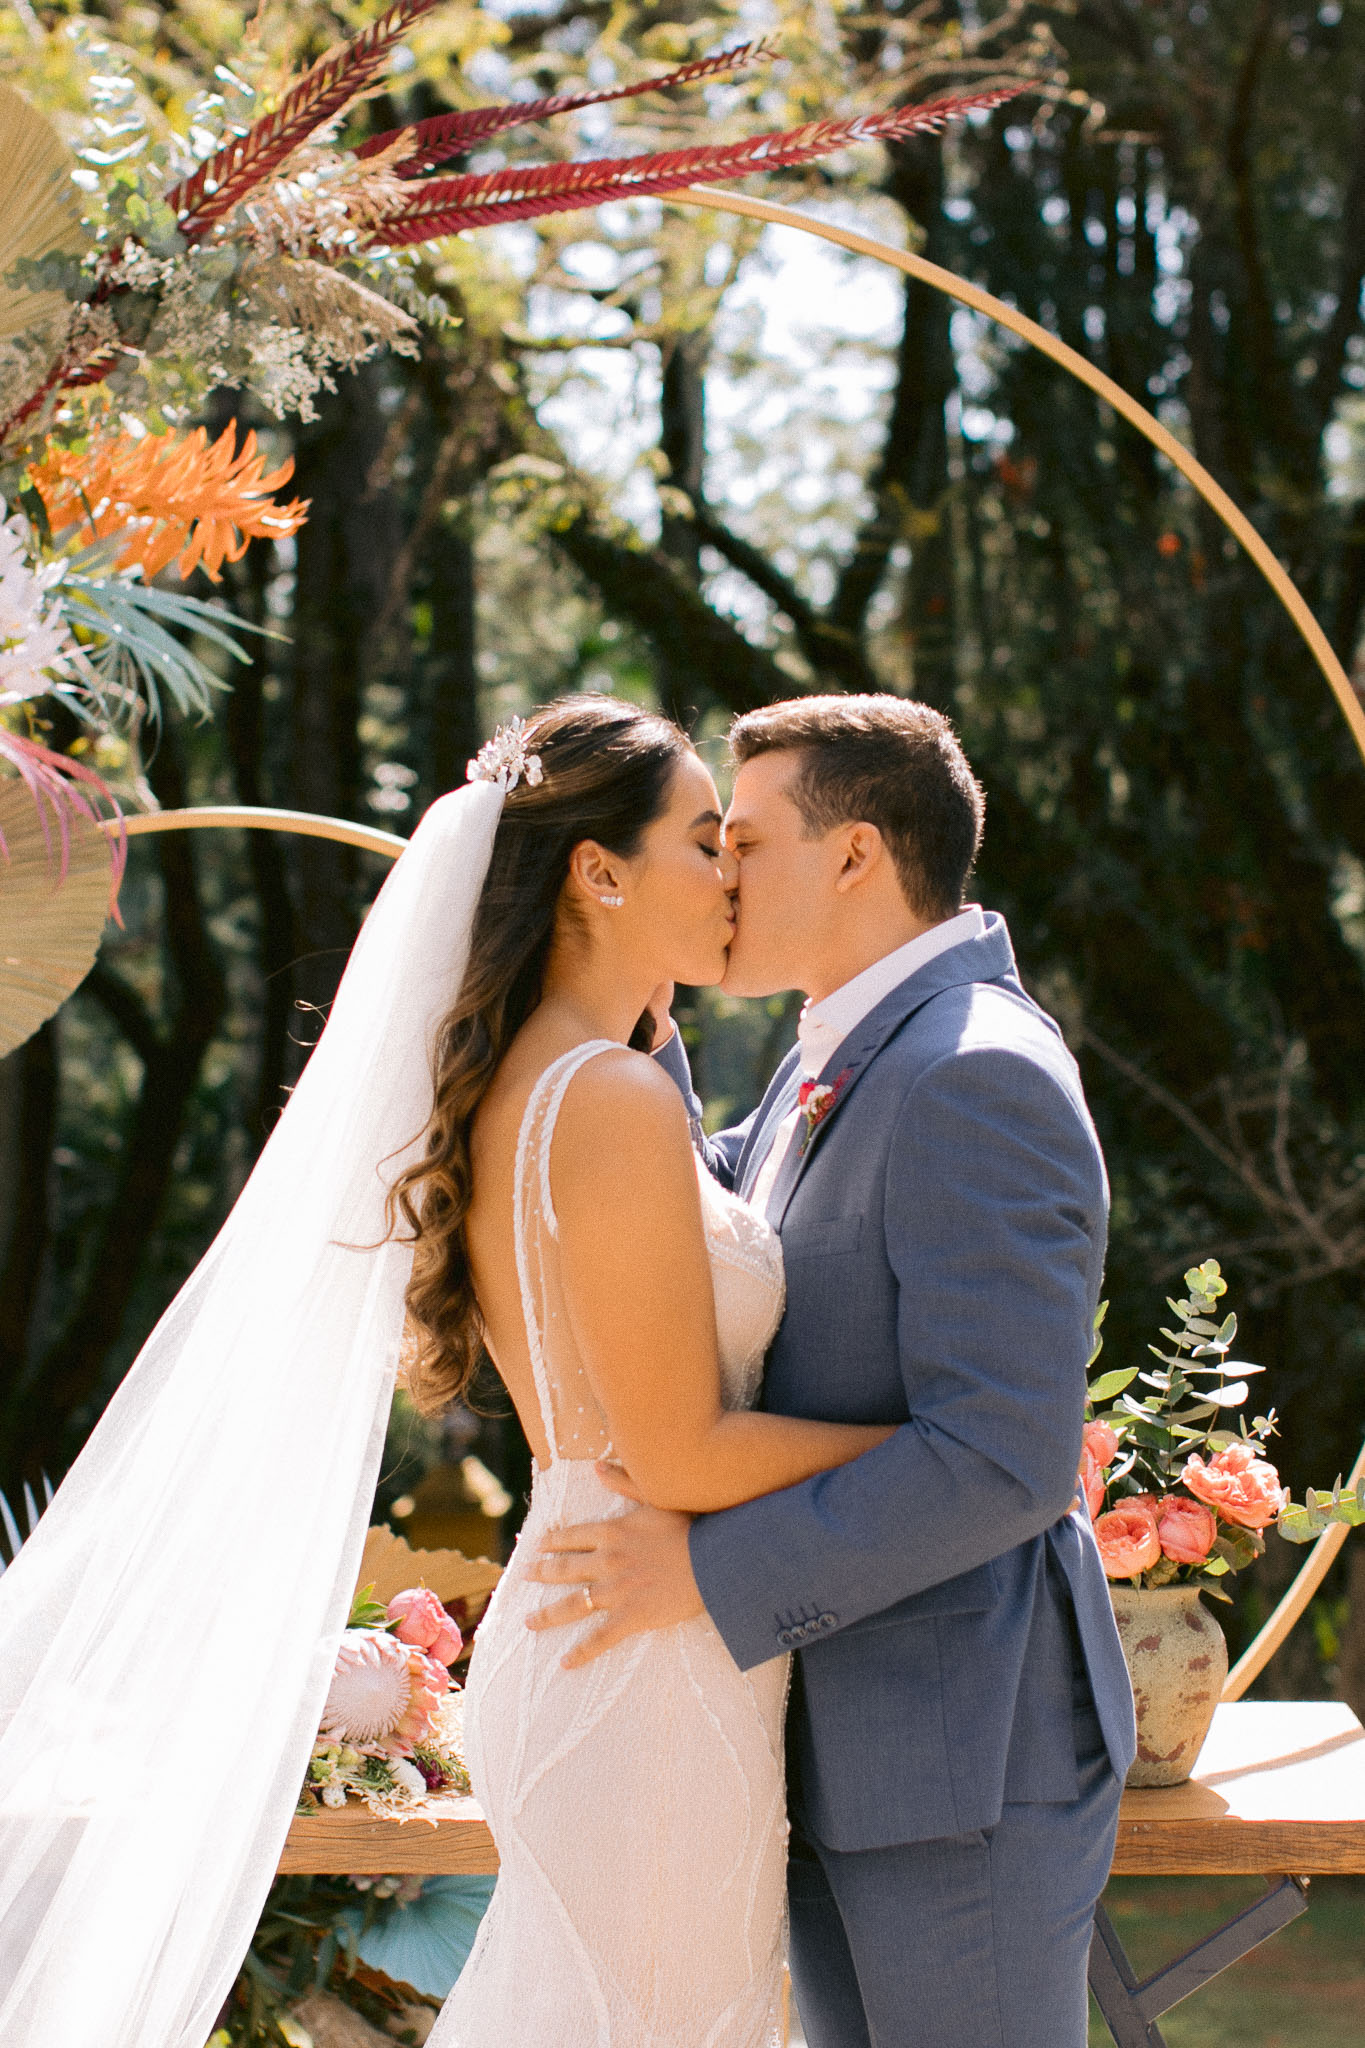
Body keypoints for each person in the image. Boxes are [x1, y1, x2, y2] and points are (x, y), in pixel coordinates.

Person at [525, 694, 1138, 2048]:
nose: (717, 873)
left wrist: (703, 1572)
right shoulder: (847, 1058)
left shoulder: (975, 1074)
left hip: (961, 1759)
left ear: (853, 856)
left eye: (739, 840)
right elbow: (718, 1211)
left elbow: (1004, 1459)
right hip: (845, 1741)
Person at [405, 697, 895, 2046]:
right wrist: (939, 1447)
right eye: (700, 841)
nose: (730, 874)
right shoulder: (604, 1101)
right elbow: (679, 1454)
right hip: (643, 1653)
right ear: (596, 871)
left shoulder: (576, 1079)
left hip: (622, 1617)